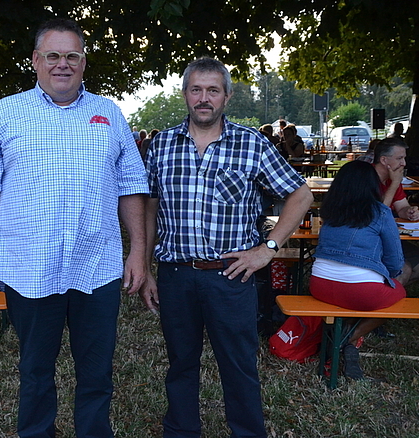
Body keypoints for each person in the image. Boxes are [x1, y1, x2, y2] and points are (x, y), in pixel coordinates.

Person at [0, 18, 148, 438]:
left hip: (96, 267)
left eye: (72, 56)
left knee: (97, 372)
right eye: (53, 56)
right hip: (30, 267)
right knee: (35, 372)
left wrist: (137, 252)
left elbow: (133, 187)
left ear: (83, 63)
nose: (62, 64)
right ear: (35, 61)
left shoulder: (109, 113)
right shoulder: (6, 112)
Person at [140, 57, 313, 438]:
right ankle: (181, 432)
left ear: (227, 96)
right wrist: (145, 266)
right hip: (176, 275)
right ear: (185, 93)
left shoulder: (251, 144)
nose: (204, 98)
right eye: (196, 89)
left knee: (238, 366)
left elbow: (300, 195)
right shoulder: (162, 145)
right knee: (180, 365)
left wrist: (267, 248)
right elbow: (150, 207)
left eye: (212, 90)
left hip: (231, 276)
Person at [310, 160, 408, 379]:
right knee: (399, 294)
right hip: (362, 292)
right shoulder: (381, 212)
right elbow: (395, 263)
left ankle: (344, 339)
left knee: (356, 296)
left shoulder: (330, 211)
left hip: (319, 285)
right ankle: (348, 341)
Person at [373, 137, 419, 285]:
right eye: (400, 158)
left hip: (389, 238)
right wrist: (394, 184)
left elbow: (401, 208)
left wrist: (410, 211)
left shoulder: (392, 179)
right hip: (370, 240)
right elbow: (376, 217)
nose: (404, 164)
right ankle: (386, 296)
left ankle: (390, 290)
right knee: (403, 268)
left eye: (404, 158)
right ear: (384, 160)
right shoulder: (366, 179)